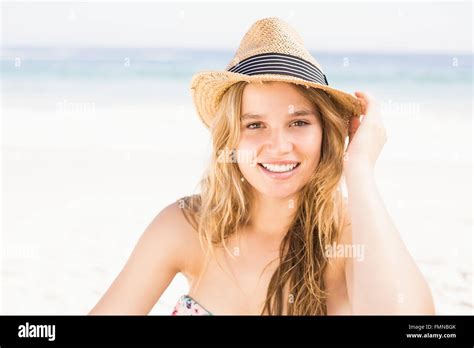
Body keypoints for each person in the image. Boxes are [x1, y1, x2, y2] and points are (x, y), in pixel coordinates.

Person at [89, 17, 435, 315]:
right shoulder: (188, 226)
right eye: (254, 125)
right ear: (230, 140)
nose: (279, 146)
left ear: (326, 134)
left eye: (298, 122)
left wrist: (358, 169)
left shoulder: (350, 234)